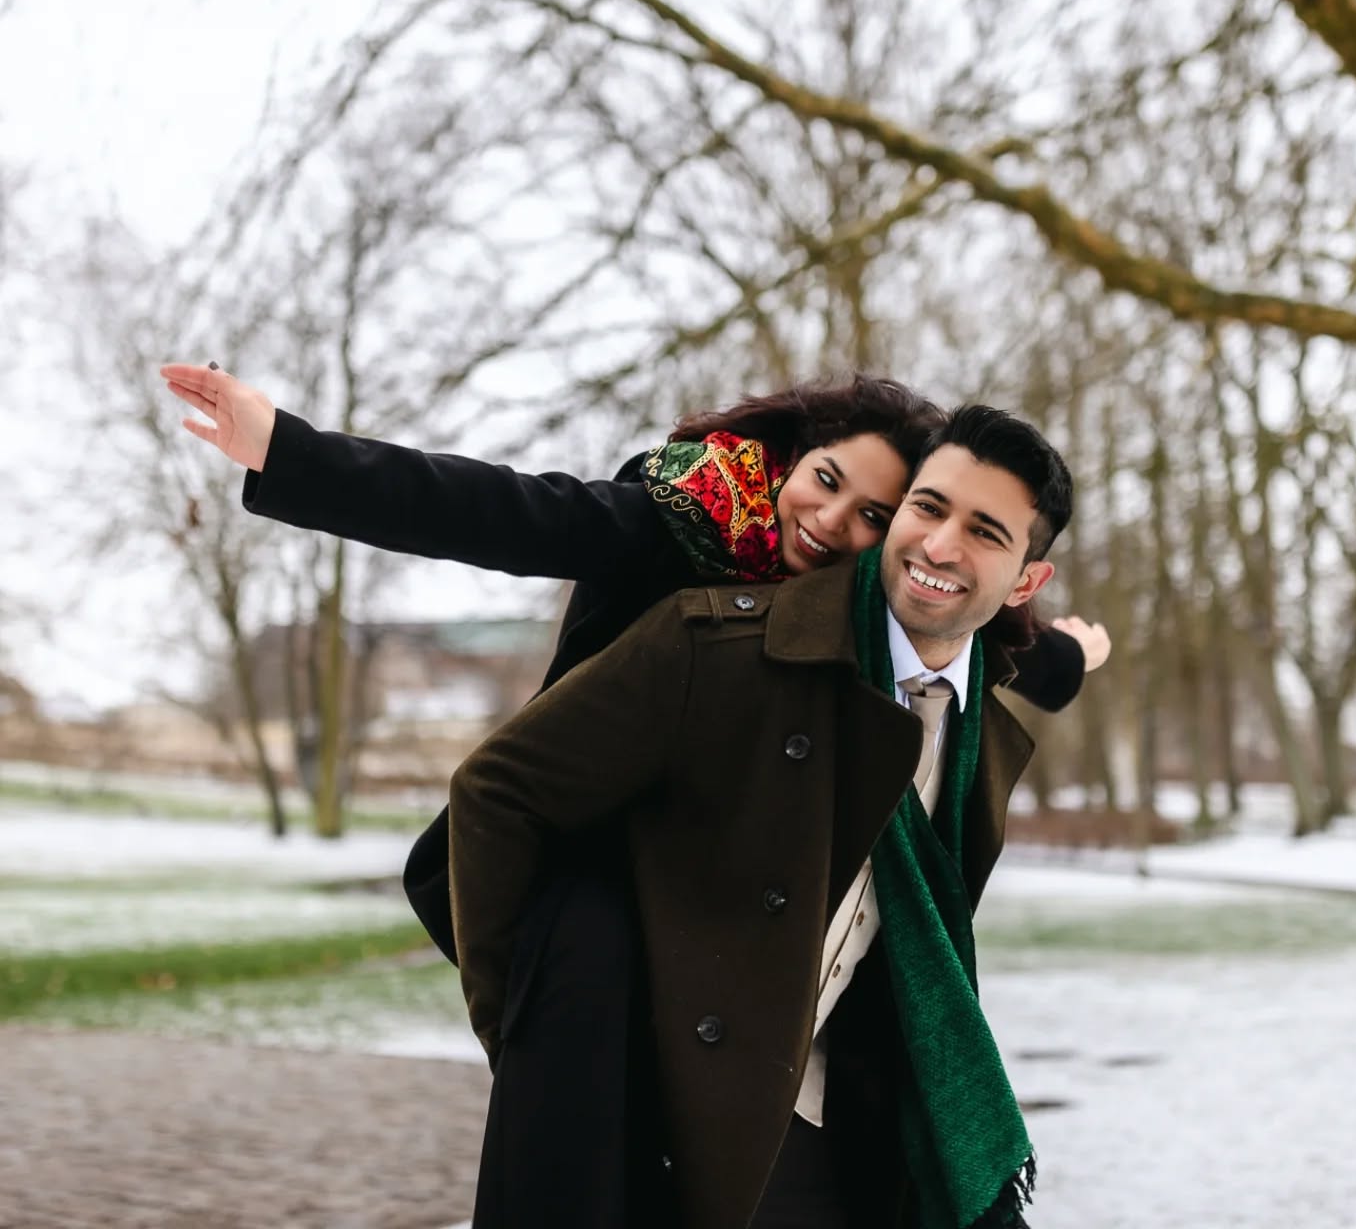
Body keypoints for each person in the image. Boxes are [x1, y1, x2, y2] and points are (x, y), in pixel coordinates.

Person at [159, 362, 1109, 1225]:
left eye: (871, 514)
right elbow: (495, 511)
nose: (832, 523)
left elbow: (989, 646)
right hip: (593, 880)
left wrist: (1069, 655)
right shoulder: (676, 525)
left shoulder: (868, 621)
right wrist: (288, 451)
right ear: (790, 460)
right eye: (826, 481)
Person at [449, 403, 1073, 1229]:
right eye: (928, 507)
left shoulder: (979, 743)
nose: (941, 545)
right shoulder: (716, 647)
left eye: (986, 532)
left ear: (1026, 580)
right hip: (641, 1127)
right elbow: (496, 792)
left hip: (824, 1137)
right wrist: (527, 1034)